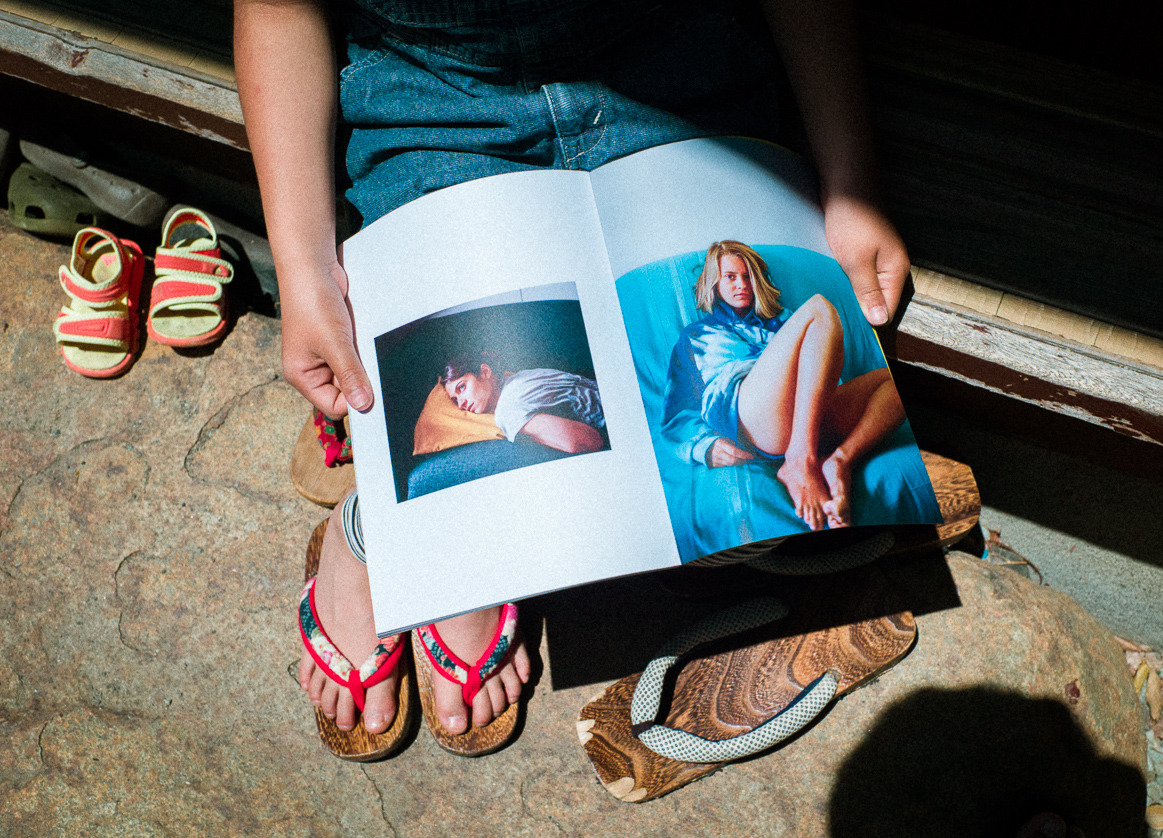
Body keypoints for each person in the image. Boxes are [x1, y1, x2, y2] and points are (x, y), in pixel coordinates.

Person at [234, 0, 910, 748]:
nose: (459, 394)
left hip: (681, 74)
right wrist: (301, 271)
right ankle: (389, 536)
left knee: (728, 506)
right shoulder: (517, 396)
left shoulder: (523, 391)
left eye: (460, 384)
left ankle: (407, 532)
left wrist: (852, 184)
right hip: (432, 106)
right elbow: (275, 9)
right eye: (452, 391)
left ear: (486, 371)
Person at [663, 241, 906, 531]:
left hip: (810, 419)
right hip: (752, 415)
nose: (741, 284)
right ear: (714, 284)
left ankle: (839, 461)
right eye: (730, 277)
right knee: (819, 307)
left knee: (891, 381)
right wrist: (705, 446)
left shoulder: (785, 321)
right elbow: (676, 414)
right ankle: (799, 460)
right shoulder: (697, 336)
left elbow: (825, 373)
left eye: (747, 276)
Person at [441, 356, 606, 454]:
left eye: (462, 387)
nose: (461, 404)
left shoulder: (507, 410)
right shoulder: (516, 380)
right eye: (455, 400)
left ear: (485, 372)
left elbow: (588, 441)